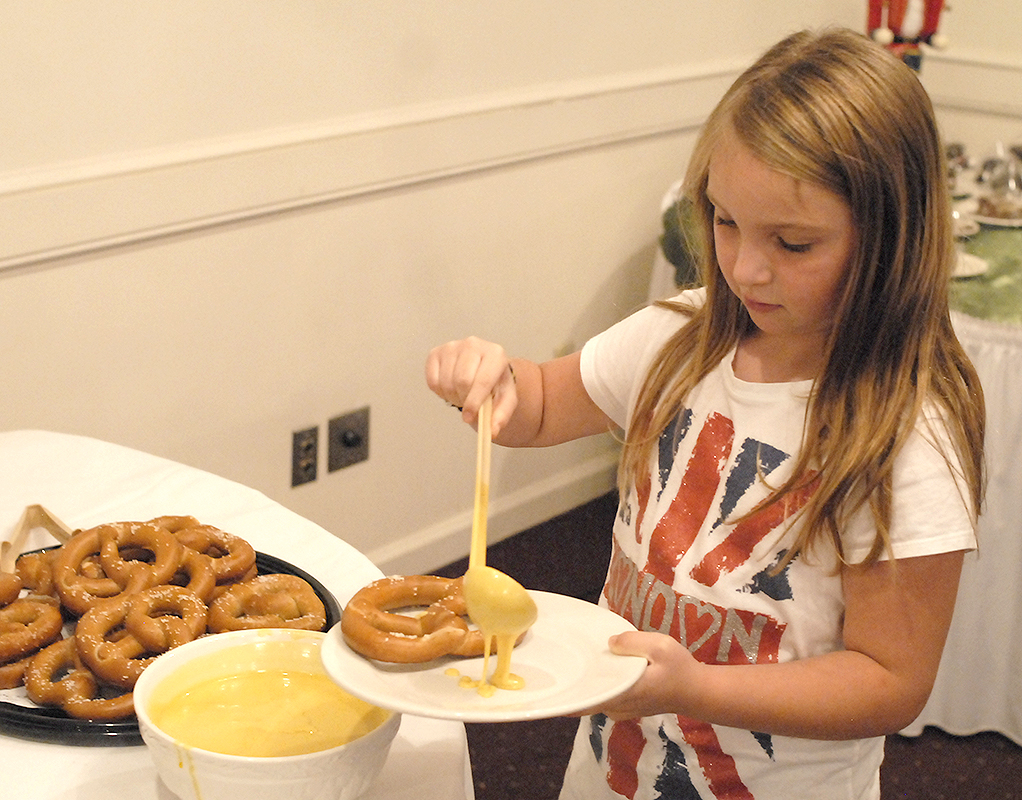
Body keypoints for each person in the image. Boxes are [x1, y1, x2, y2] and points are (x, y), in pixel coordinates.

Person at [425, 27, 985, 800]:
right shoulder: (678, 339)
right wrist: (488, 379)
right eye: (725, 222)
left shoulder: (903, 435)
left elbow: (890, 681)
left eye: (792, 244)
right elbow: (543, 401)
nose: (745, 268)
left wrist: (696, 691)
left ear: (889, 240)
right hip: (611, 766)